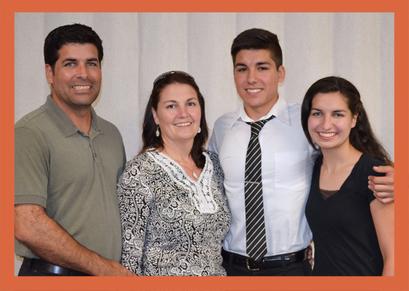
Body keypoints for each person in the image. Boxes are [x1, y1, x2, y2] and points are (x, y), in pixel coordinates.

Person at [208, 28, 395, 276]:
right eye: (242, 69)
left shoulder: (309, 121)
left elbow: (352, 159)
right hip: (231, 268)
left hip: (292, 269)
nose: (251, 78)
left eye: (262, 67)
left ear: (280, 73)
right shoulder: (222, 128)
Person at [14, 23, 133, 276]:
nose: (84, 74)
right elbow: (27, 224)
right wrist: (104, 269)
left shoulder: (111, 135)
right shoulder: (29, 133)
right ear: (49, 72)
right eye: (70, 64)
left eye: (92, 63)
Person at [117, 71, 231, 276]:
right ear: (155, 115)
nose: (183, 113)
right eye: (171, 106)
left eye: (191, 104)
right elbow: (129, 259)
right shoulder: (139, 172)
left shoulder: (214, 165)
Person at [301, 76, 394, 276]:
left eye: (337, 114)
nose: (326, 124)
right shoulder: (313, 167)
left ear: (354, 118)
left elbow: (394, 258)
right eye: (317, 113)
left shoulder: (376, 174)